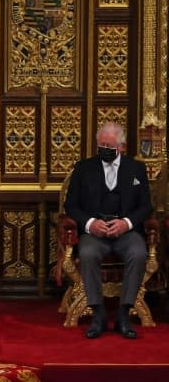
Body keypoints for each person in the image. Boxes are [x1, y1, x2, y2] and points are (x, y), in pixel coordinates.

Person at [64, 121, 152, 339]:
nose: (104, 149)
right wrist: (90, 223)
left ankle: (123, 314)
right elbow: (71, 205)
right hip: (96, 233)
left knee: (139, 253)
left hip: (126, 232)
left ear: (121, 147)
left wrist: (127, 223)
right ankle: (98, 314)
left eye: (109, 146)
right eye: (101, 145)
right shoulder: (83, 168)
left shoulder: (136, 168)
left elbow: (145, 206)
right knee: (88, 253)